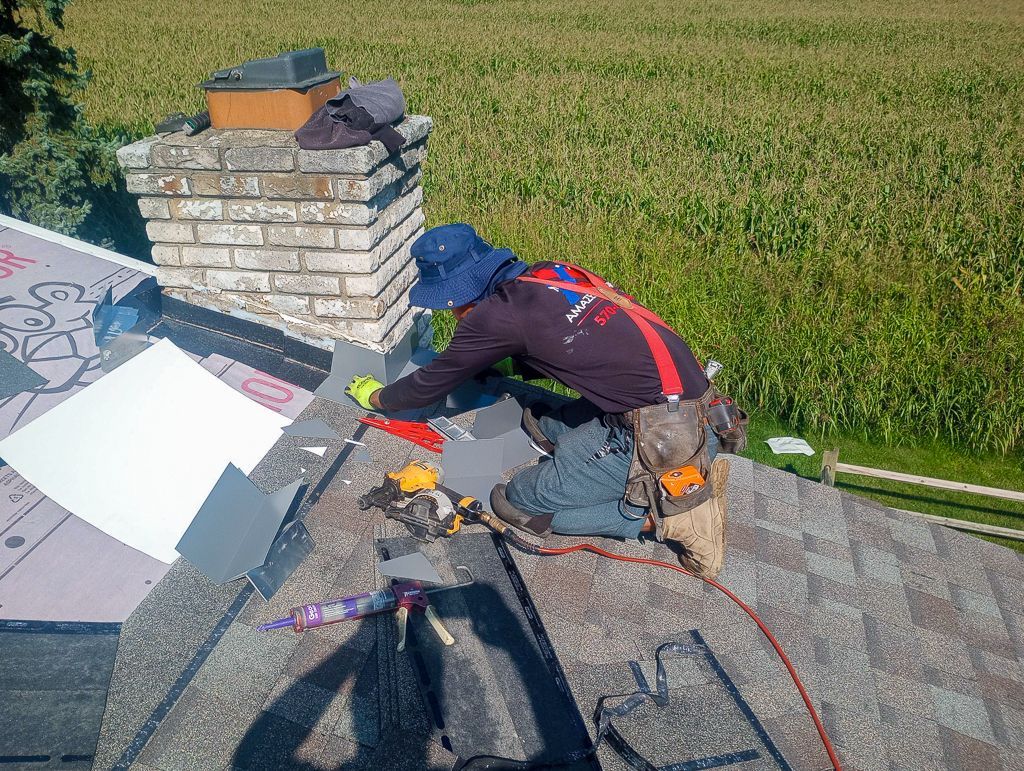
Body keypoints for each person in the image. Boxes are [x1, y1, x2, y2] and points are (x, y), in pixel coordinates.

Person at [345, 223, 745, 578]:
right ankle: (619, 461)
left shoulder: (495, 319)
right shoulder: (551, 274)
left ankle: (677, 518)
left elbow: (426, 385)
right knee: (542, 425)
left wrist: (378, 396)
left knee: (517, 504)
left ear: (457, 297)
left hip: (663, 437)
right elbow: (563, 341)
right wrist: (480, 359)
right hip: (699, 405)